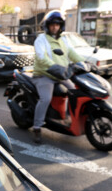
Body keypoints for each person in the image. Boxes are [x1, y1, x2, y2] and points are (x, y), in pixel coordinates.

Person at [32, 10, 84, 143]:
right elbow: (41, 57)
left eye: (57, 24)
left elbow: (72, 53)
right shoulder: (41, 39)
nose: (55, 27)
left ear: (61, 26)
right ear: (47, 26)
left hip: (61, 74)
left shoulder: (63, 40)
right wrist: (55, 67)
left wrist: (84, 63)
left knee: (74, 91)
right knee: (46, 98)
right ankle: (37, 127)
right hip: (44, 75)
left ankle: (67, 117)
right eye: (52, 24)